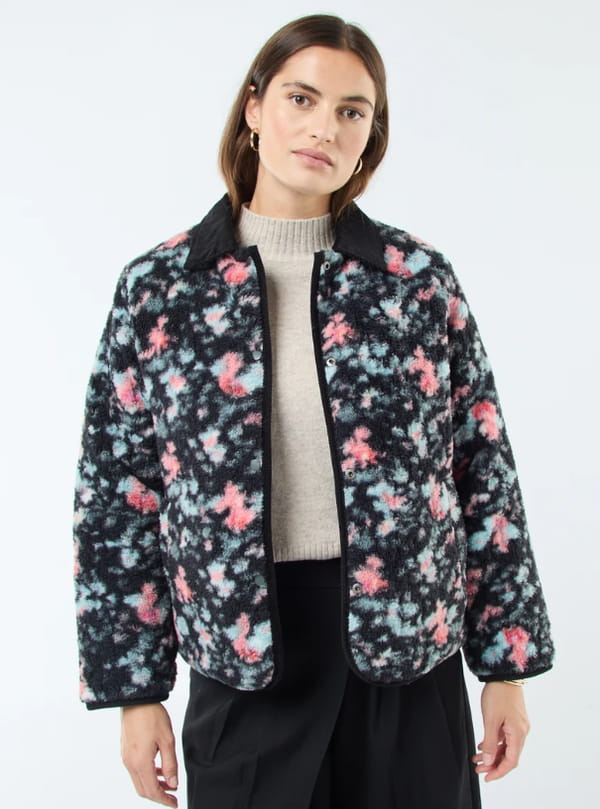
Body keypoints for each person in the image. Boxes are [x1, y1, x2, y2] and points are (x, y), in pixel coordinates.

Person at [72, 13, 555, 809]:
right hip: (244, 661)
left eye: (351, 111)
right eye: (302, 98)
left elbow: (483, 469)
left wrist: (506, 667)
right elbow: (118, 498)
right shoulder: (160, 291)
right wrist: (135, 690)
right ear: (254, 108)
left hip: (410, 656)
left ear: (370, 136)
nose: (325, 127)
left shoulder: (416, 281)